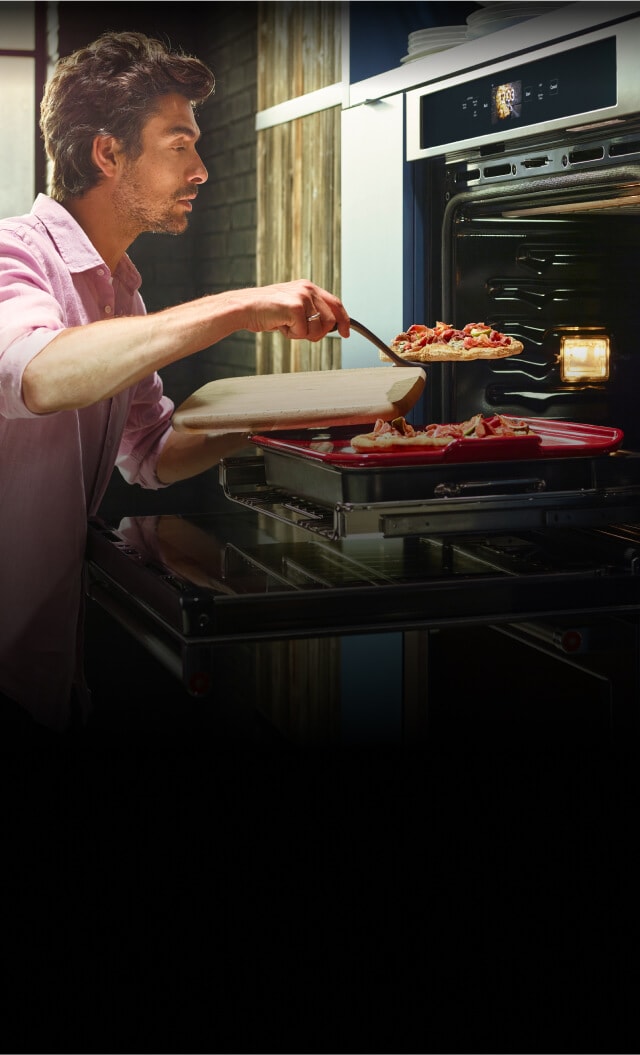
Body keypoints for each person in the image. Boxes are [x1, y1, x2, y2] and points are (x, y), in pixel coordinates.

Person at [0, 30, 351, 734]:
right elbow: (37, 372)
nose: (201, 170)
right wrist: (239, 305)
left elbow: (152, 451)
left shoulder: (122, 296)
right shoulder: (13, 252)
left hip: (50, 671)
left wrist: (269, 409)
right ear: (107, 152)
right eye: (179, 143)